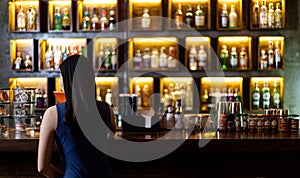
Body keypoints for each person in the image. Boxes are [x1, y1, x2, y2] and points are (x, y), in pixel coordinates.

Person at [38, 55, 116, 177]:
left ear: (67, 80)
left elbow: (42, 167)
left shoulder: (52, 114)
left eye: (60, 77)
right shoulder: (107, 109)